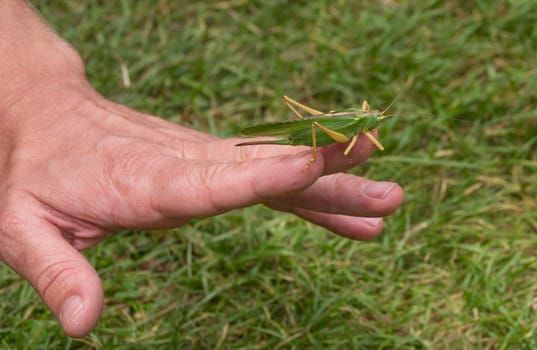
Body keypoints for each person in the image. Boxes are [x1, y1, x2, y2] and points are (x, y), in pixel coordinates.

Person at [0, 0, 404, 337]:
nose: (372, 125)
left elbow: (362, 133)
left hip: (325, 132)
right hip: (315, 129)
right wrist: (31, 98)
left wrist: (39, 94)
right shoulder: (356, 123)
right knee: (310, 129)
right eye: (372, 122)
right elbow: (348, 129)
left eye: (373, 123)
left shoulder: (364, 125)